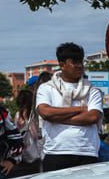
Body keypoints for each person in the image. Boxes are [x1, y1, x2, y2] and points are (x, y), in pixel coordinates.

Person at [36, 42, 103, 172]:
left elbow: (92, 117)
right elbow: (45, 112)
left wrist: (56, 117)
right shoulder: (47, 88)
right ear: (62, 65)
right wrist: (79, 109)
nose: (79, 66)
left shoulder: (92, 90)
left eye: (81, 62)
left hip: (86, 152)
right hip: (55, 152)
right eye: (74, 62)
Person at [12, 88, 42, 175]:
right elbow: (37, 135)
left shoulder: (20, 115)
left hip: (26, 153)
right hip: (35, 152)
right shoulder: (35, 115)